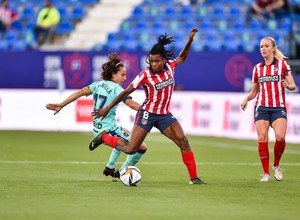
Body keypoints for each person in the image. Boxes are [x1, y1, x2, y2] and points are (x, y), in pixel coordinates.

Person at [90, 27, 207, 185]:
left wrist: (190, 41)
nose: (154, 64)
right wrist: (107, 108)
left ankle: (194, 178)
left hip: (165, 115)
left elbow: (182, 57)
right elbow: (125, 92)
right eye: (151, 61)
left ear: (164, 60)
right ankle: (103, 138)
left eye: (157, 61)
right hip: (147, 114)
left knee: (183, 142)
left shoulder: (171, 67)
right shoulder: (144, 75)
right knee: (131, 149)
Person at [46, 52, 147, 180]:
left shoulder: (97, 85)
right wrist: (146, 109)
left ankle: (110, 167)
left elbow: (80, 93)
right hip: (109, 131)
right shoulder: (117, 89)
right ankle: (121, 172)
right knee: (141, 147)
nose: (125, 78)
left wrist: (61, 104)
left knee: (124, 135)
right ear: (113, 74)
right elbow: (130, 103)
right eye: (122, 75)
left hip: (98, 128)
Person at [241, 37, 296, 182]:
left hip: (278, 107)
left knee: (280, 137)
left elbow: (293, 85)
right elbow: (254, 91)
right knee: (262, 138)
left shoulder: (283, 64)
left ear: (273, 48)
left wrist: (287, 84)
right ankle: (266, 173)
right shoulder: (257, 68)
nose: (263, 49)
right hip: (262, 107)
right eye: (261, 47)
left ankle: (276, 165)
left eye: (266, 46)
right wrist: (247, 99)